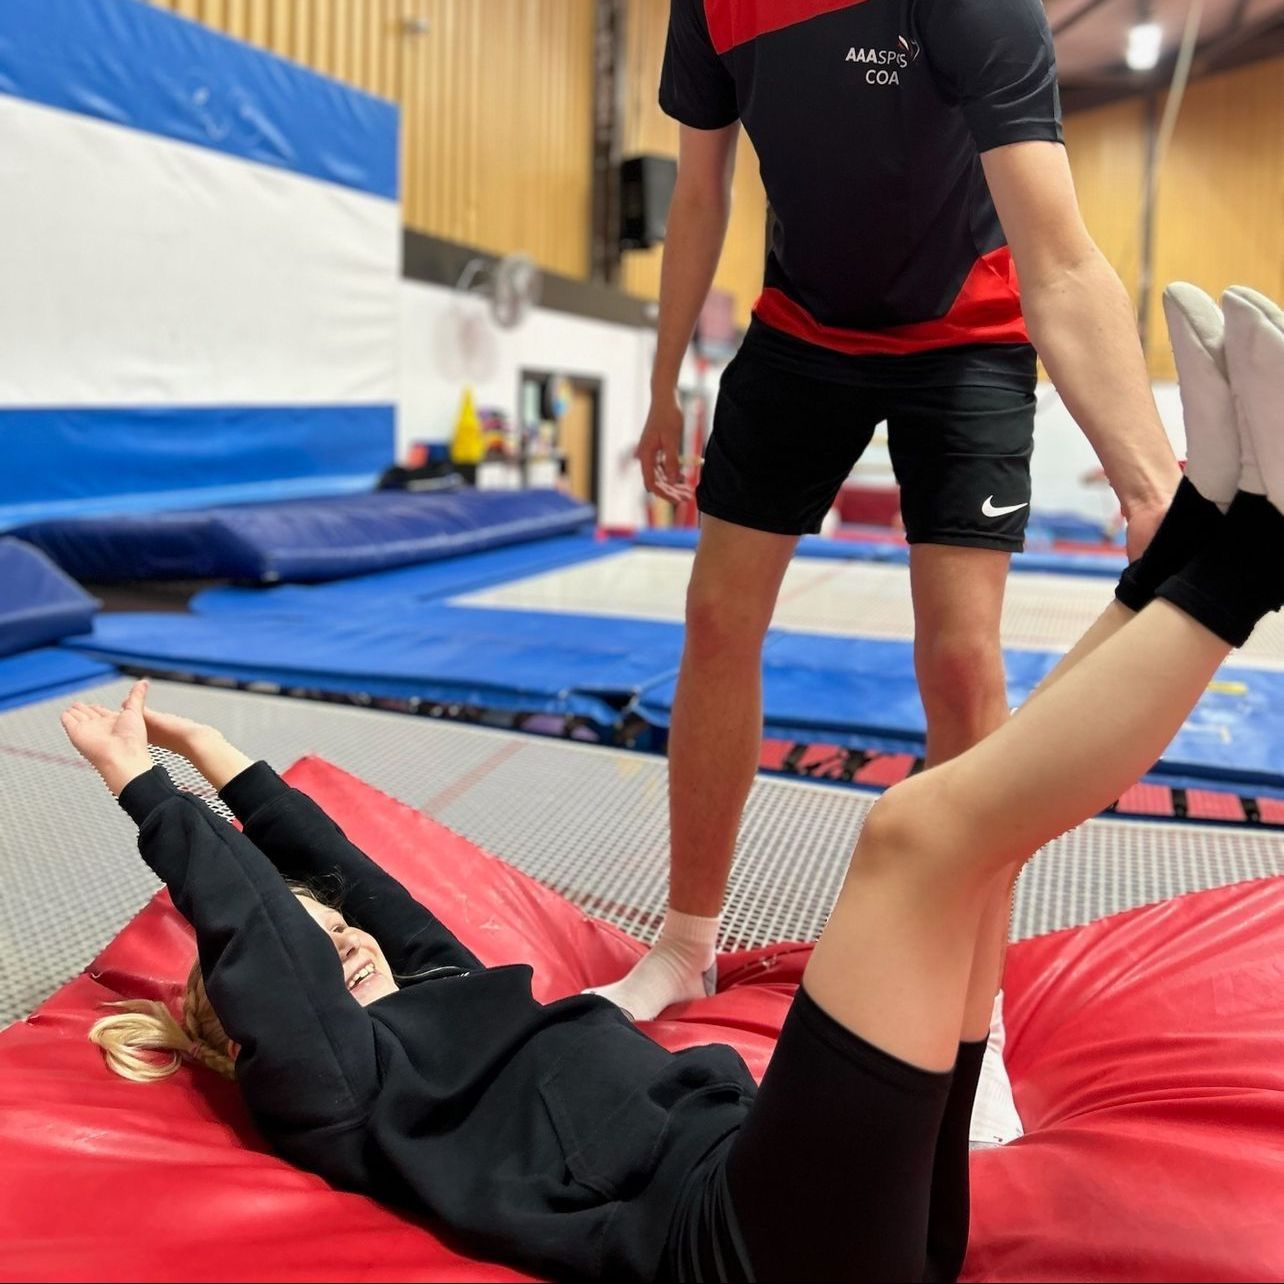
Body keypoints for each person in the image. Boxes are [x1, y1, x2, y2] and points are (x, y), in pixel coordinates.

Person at [65, 284, 1282, 1284]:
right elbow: (263, 936)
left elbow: (335, 876)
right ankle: (1259, 558)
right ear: (279, 1033)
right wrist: (143, 794)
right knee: (917, 838)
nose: (348, 946)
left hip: (837, 1204)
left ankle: (1196, 535)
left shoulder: (434, 988)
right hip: (747, 1243)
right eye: (325, 963)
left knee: (978, 846)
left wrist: (209, 752)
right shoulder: (350, 1096)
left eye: (336, 932)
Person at [605, 0, 1187, 1145]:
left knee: (962, 660)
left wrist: (1149, 485)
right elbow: (702, 194)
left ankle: (979, 1017)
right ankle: (684, 942)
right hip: (799, 332)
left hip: (966, 337)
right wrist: (666, 375)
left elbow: (1059, 260)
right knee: (716, 618)